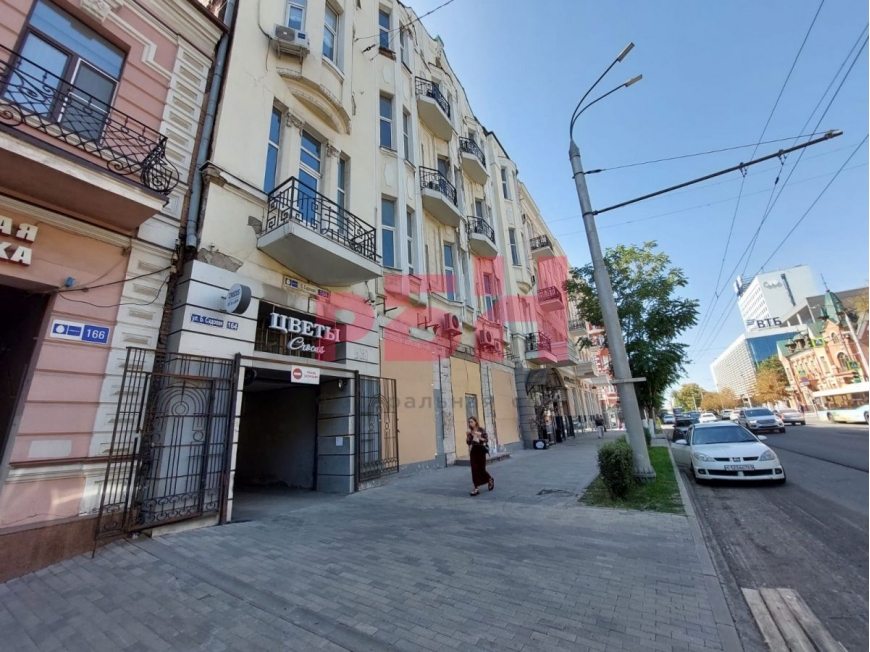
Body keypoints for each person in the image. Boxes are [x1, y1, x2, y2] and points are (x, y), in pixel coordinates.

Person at [466, 416, 494, 496]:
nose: (470, 423)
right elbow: (468, 442)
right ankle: (476, 488)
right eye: (469, 422)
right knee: (474, 469)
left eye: (471, 422)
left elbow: (486, 440)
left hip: (481, 450)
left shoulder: (481, 430)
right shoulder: (469, 431)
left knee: (481, 469)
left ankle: (489, 479)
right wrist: (468, 436)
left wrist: (480, 437)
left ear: (475, 422)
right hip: (473, 451)